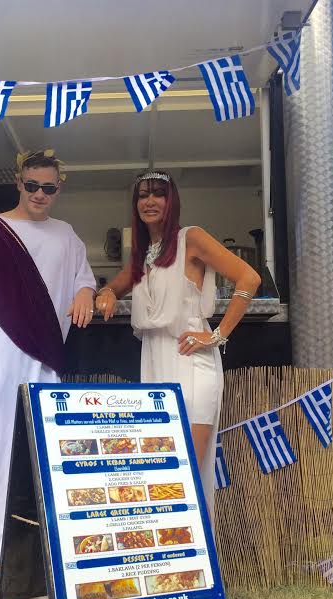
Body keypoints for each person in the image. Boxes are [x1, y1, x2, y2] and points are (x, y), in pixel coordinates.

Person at [0, 149, 96, 599]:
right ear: (18, 182)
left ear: (59, 189)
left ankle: (31, 580)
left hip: (43, 362)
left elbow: (84, 280)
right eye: (31, 186)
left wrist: (87, 295)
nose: (39, 195)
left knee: (38, 470)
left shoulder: (67, 236)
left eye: (48, 188)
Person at [95, 170, 260, 527]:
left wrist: (217, 335)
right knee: (160, 470)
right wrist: (106, 292)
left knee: (185, 471)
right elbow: (115, 287)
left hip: (190, 362)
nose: (150, 201)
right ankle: (170, 562)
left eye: (158, 194)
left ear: (173, 201)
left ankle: (198, 567)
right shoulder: (144, 255)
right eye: (142, 195)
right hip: (153, 364)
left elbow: (249, 278)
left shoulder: (192, 238)